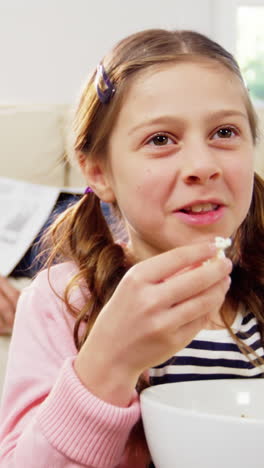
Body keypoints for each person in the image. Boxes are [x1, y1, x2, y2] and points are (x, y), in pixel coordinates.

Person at [0, 28, 263, 467]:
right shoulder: (61, 300)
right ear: (99, 172)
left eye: (224, 132)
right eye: (161, 140)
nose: (202, 165)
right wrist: (108, 364)